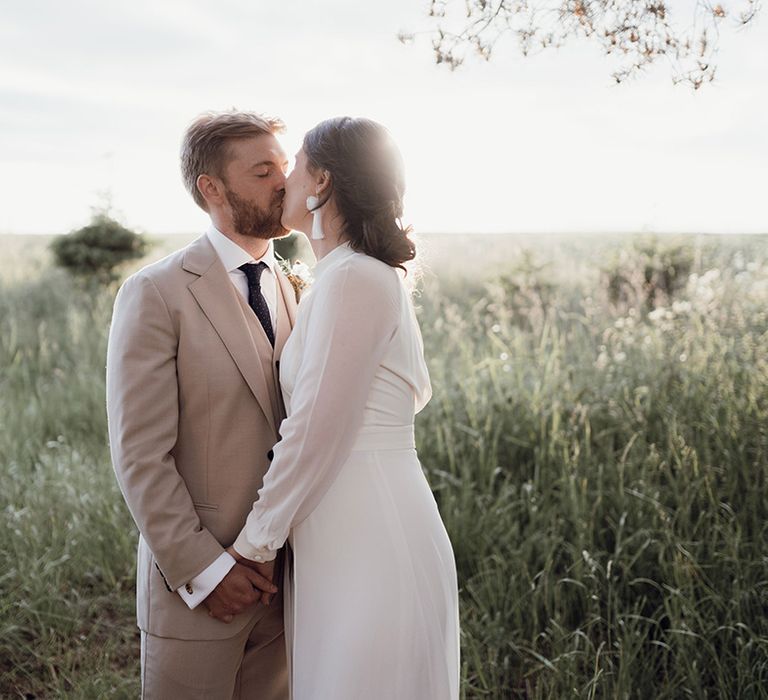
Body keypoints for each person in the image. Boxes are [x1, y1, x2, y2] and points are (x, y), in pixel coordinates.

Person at [227, 116, 460, 699]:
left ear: (323, 182)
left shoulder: (354, 277)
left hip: (371, 534)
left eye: (296, 162)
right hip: (339, 532)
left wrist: (255, 543)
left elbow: (314, 432)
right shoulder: (345, 275)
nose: (283, 178)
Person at [106, 110, 297, 698]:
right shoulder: (156, 292)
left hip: (288, 582)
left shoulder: (288, 284)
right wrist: (207, 571)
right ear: (211, 188)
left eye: (284, 168)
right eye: (263, 171)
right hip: (200, 592)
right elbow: (140, 454)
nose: (283, 184)